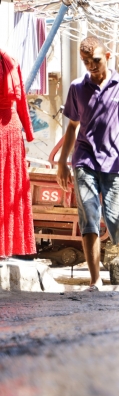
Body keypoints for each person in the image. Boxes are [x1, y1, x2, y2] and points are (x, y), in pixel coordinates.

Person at [57, 37, 119, 290]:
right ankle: (95, 281)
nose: (91, 66)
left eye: (95, 60)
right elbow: (72, 127)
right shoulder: (77, 87)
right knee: (89, 218)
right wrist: (63, 162)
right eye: (86, 62)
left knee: (117, 222)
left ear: (107, 55)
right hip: (84, 159)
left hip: (116, 162)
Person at [0, 49, 35, 259]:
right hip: (11, 130)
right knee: (8, 189)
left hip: (8, 131)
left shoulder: (12, 61)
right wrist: (29, 133)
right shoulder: (12, 61)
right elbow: (21, 101)